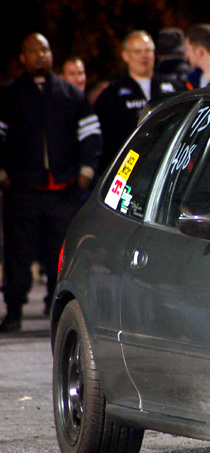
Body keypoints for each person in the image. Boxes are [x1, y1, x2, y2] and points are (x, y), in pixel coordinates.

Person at [0, 33, 101, 331]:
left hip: (64, 191)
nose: (40, 55)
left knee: (62, 255)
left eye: (44, 49)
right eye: (33, 51)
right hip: (22, 191)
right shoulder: (9, 95)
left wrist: (86, 171)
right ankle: (14, 312)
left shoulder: (70, 94)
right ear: (23, 58)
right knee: (17, 255)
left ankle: (60, 313)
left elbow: (91, 135)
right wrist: (2, 175)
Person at [93, 30, 184, 171]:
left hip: (168, 165)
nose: (144, 56)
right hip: (129, 168)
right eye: (137, 51)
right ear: (125, 55)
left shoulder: (174, 87)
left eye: (148, 51)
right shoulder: (112, 95)